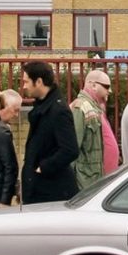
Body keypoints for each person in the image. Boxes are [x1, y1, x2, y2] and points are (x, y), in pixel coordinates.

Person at [20, 61, 80, 204]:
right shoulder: (41, 107)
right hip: (39, 189)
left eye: (26, 82)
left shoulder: (58, 111)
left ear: (39, 82)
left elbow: (70, 150)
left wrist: (43, 168)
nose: (24, 86)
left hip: (52, 191)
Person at [69, 70, 113, 189]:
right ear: (93, 85)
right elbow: (73, 148)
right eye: (106, 86)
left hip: (93, 179)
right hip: (84, 181)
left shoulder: (94, 108)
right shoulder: (80, 107)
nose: (109, 91)